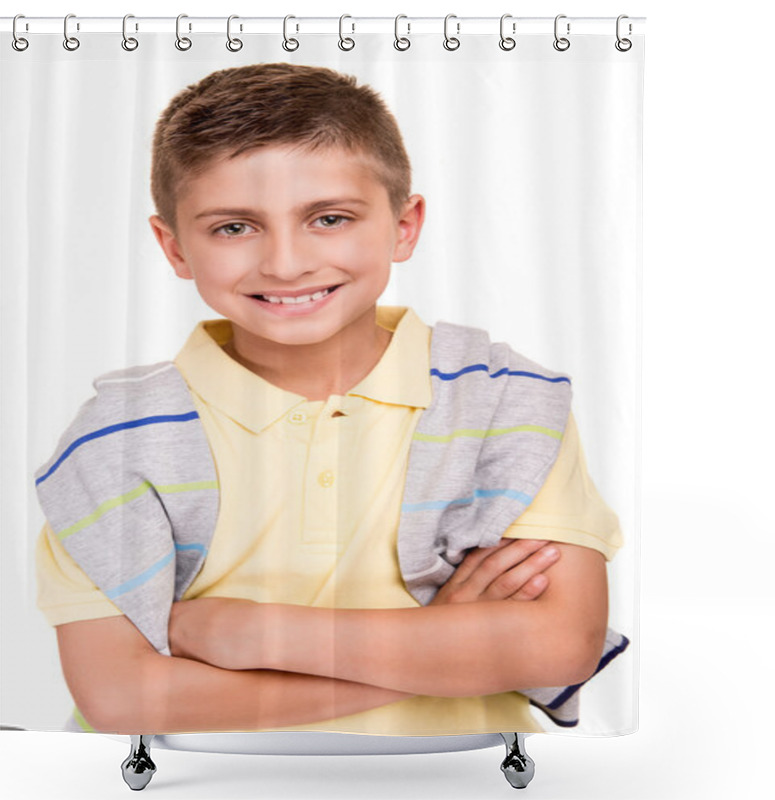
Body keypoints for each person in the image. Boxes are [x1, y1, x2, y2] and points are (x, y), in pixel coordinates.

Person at [34, 63, 624, 737]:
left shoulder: (502, 400)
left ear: (405, 225)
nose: (285, 263)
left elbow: (556, 644)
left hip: (455, 782)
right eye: (234, 228)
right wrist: (439, 644)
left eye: (329, 218)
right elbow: (123, 696)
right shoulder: (118, 438)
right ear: (174, 246)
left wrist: (256, 636)